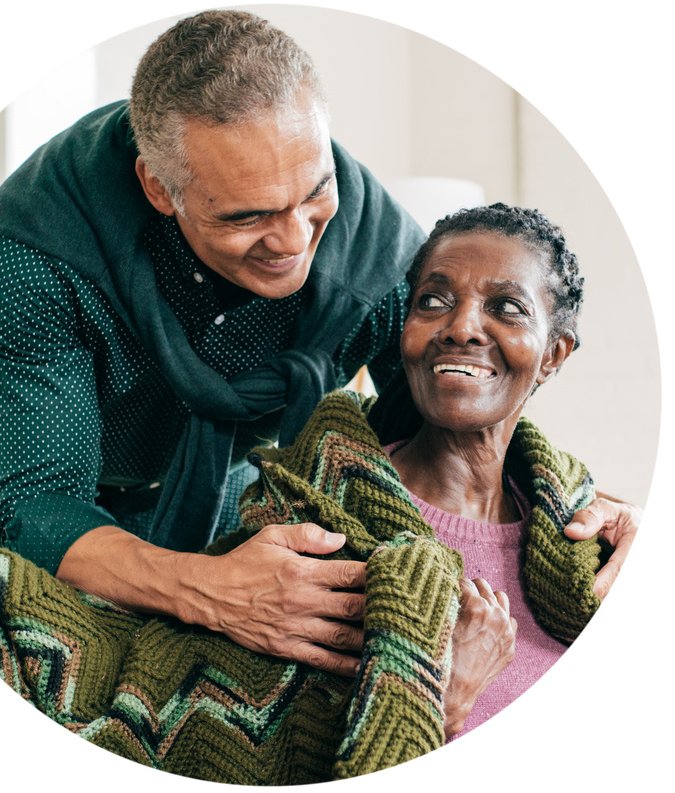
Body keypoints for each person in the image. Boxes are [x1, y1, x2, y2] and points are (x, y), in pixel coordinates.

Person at [0, 10, 638, 679]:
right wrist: (211, 588)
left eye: (313, 192)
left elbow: (452, 428)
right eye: (249, 215)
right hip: (21, 465)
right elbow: (40, 507)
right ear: (160, 188)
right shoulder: (36, 245)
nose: (295, 243)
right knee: (34, 668)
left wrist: (579, 509)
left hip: (214, 461)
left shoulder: (381, 257)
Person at [238, 203, 633, 739]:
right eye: (434, 301)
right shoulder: (305, 523)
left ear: (553, 356)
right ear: (406, 335)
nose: (461, 327)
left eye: (507, 307)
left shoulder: (591, 541)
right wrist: (443, 697)